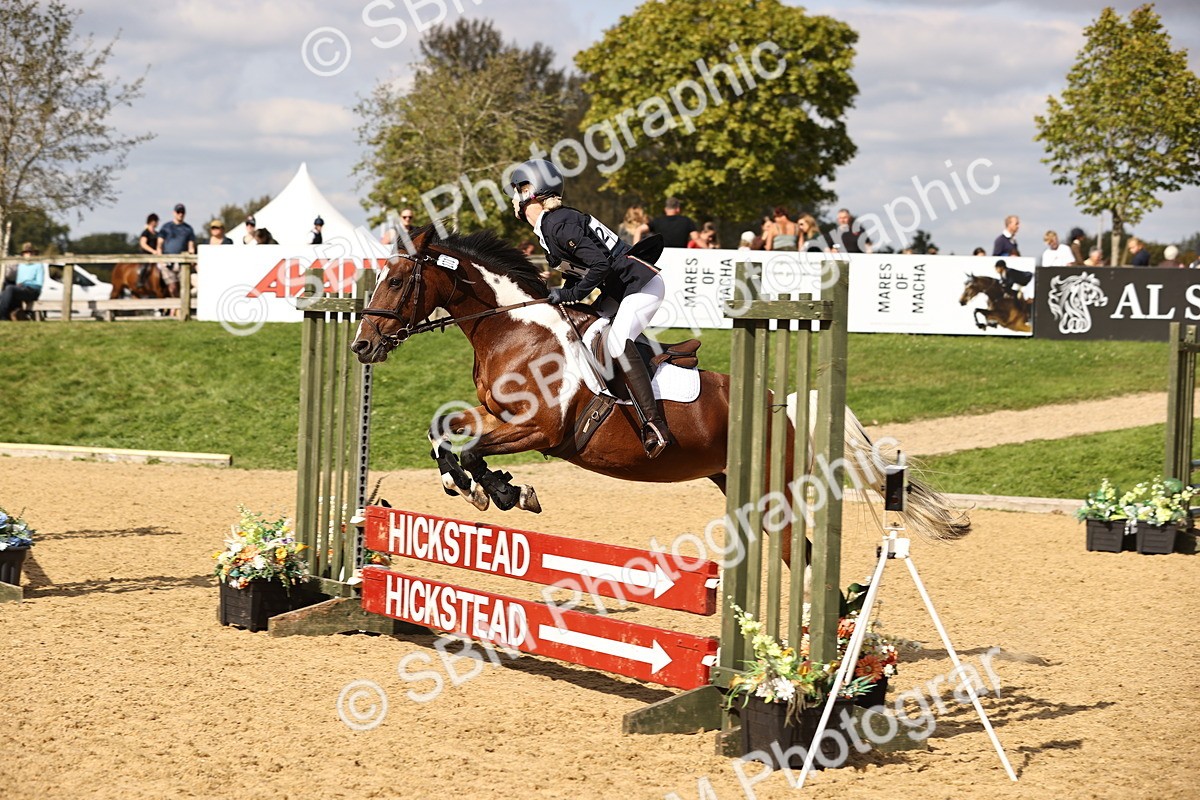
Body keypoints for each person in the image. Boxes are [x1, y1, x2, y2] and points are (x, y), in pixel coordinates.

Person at [510, 158, 670, 458]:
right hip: (618, 289)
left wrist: (570, 295)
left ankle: (655, 424)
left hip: (641, 286)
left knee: (618, 341)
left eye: (518, 191)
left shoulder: (558, 223)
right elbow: (578, 271)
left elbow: (600, 264)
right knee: (585, 333)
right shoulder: (550, 226)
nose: (514, 200)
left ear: (531, 190)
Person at [0, 242, 45, 321]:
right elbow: (17, 280)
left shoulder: (38, 265)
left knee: (10, 289)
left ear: (34, 253)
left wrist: (25, 284)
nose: (28, 255)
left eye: (30, 252)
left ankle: (2, 314)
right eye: (26, 253)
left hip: (32, 290)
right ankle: (6, 315)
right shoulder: (21, 265)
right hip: (21, 288)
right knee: (6, 287)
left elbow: (39, 284)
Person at [159, 203, 196, 295]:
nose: (180, 214)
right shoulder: (166, 227)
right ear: (174, 213)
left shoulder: (188, 229)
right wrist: (160, 258)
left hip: (182, 262)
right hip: (167, 260)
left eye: (182, 212)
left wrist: (191, 257)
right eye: (178, 212)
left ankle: (177, 308)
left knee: (184, 285)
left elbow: (191, 246)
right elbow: (159, 245)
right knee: (172, 286)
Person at [137, 213, 162, 292]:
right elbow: (143, 244)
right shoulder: (145, 232)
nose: (158, 223)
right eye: (157, 221)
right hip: (146, 254)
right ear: (152, 221)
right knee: (145, 266)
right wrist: (153, 251)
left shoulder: (157, 233)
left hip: (156, 254)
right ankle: (140, 281)